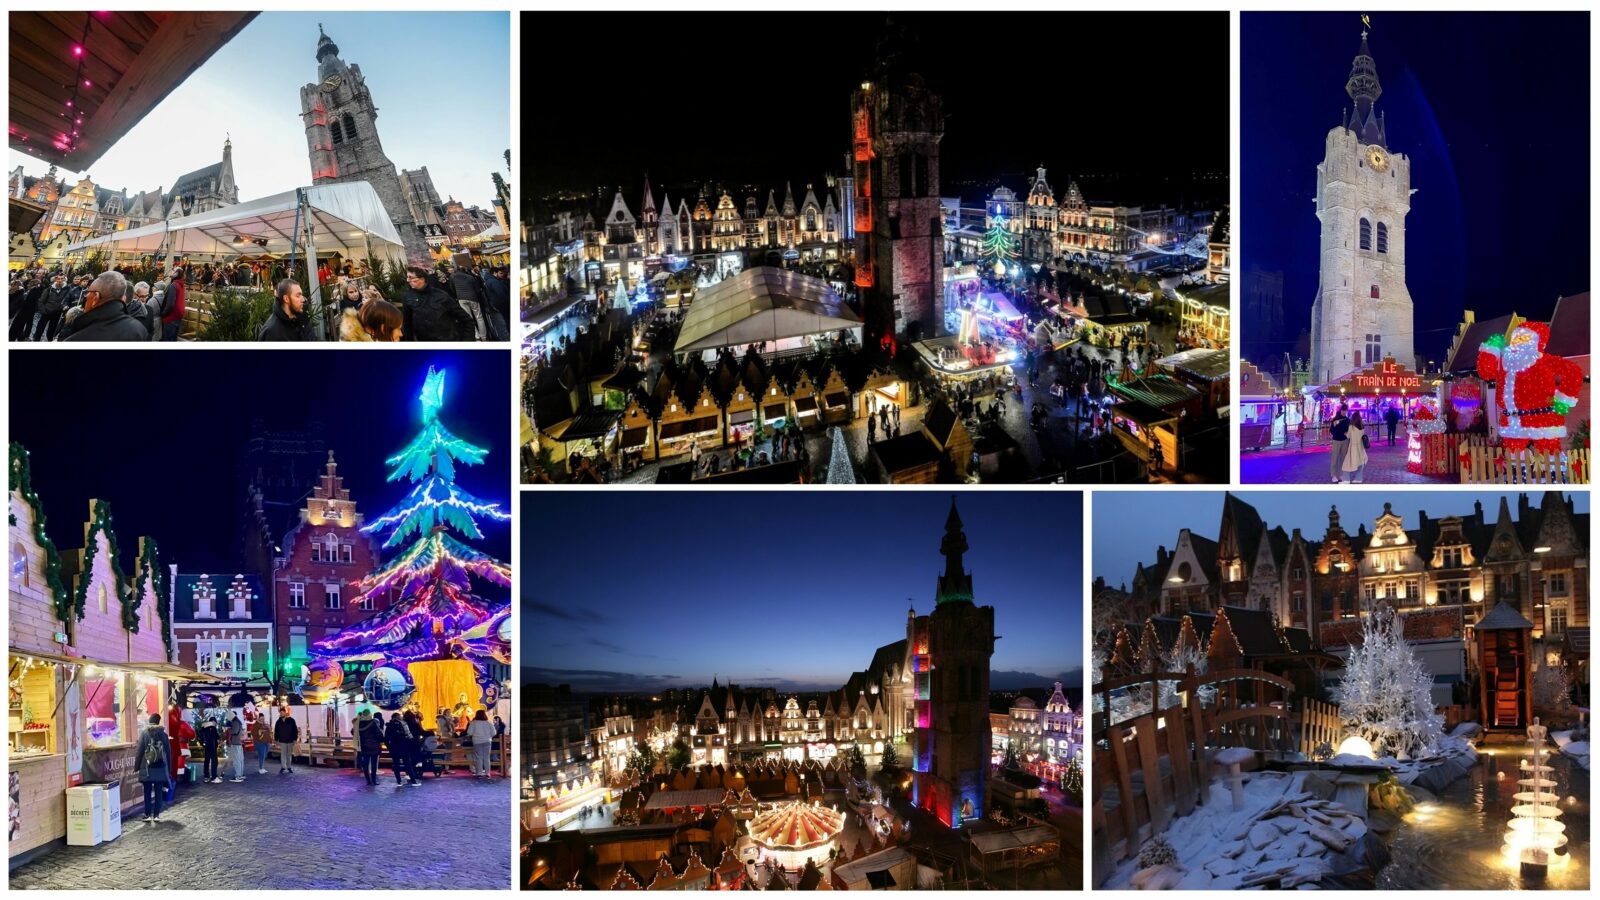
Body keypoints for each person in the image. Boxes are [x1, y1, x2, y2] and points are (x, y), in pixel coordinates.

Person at [61, 271, 149, 341]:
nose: (86, 296)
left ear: (95, 297)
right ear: (123, 298)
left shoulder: (78, 338)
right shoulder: (139, 330)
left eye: (88, 292)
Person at [404, 266, 474, 341]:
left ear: (422, 279)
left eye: (411, 277)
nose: (408, 280)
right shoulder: (408, 297)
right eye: (407, 277)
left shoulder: (441, 295)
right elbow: (407, 324)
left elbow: (467, 320)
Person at [136, 714, 171, 823]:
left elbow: (139, 751)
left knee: (147, 791)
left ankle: (147, 815)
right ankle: (156, 815)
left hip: (147, 767)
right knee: (158, 791)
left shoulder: (144, 734)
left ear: (150, 721)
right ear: (158, 722)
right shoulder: (164, 735)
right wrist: (168, 768)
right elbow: (168, 753)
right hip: (160, 767)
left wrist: (137, 766)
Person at [384, 712, 415, 786]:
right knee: (407, 763)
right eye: (400, 716)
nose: (401, 717)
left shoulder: (389, 725)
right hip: (404, 746)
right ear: (397, 717)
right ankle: (413, 780)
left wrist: (389, 747)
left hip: (394, 747)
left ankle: (399, 781)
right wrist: (409, 744)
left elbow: (386, 738)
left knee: (396, 764)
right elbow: (408, 736)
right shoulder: (403, 724)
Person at [354, 710, 383, 786]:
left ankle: (368, 780)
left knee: (365, 764)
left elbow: (353, 732)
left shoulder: (359, 724)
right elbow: (380, 734)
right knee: (373, 764)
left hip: (364, 746)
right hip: (374, 747)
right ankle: (374, 780)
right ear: (370, 715)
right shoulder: (373, 723)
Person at [465, 709, 496, 778]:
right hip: (487, 741)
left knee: (479, 757)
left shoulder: (473, 723)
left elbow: (469, 733)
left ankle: (479, 772)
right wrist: (488, 736)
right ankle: (487, 773)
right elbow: (494, 733)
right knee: (487, 757)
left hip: (477, 742)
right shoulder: (489, 723)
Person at [1342, 411, 1370, 483]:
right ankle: (1358, 478)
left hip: (1353, 447)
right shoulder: (1362, 426)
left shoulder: (1351, 427)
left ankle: (1346, 480)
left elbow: (1348, 436)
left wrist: (1345, 433)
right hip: (1360, 447)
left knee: (1347, 463)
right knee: (1360, 462)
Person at [160, 267, 186, 342]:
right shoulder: (180, 284)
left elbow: (170, 304)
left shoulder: (174, 285)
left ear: (177, 274)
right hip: (178, 316)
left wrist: (163, 313)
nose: (171, 271)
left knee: (168, 339)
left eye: (173, 271)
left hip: (171, 317)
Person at [1327, 404, 1351, 483]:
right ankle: (1334, 475)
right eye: (1343, 410)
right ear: (1340, 410)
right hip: (1336, 440)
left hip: (1345, 441)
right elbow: (1331, 430)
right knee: (1335, 458)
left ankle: (1341, 474)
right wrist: (1335, 430)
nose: (1344, 412)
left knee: (1343, 459)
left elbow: (1349, 430)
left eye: (1345, 411)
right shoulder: (1335, 419)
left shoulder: (1347, 420)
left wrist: (1347, 433)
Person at [198, 713, 222, 783]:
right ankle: (214, 777)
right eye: (215, 722)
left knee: (206, 761)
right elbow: (217, 737)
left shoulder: (204, 728)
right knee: (214, 762)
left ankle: (206, 777)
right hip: (212, 747)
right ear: (213, 722)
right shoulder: (213, 728)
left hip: (206, 747)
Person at [274, 708, 300, 773]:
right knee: (283, 754)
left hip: (290, 740)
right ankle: (283, 767)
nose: (281, 714)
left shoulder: (291, 720)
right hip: (282, 740)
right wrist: (276, 740)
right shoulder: (278, 721)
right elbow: (276, 731)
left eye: (282, 712)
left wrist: (295, 739)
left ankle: (289, 767)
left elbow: (295, 730)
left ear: (285, 713)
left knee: (289, 754)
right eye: (280, 713)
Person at [225, 711, 246, 782]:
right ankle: (240, 774)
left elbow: (235, 732)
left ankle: (238, 776)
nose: (228, 719)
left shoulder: (235, 722)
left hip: (236, 743)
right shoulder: (238, 721)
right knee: (240, 760)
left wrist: (229, 730)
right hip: (238, 743)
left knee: (237, 760)